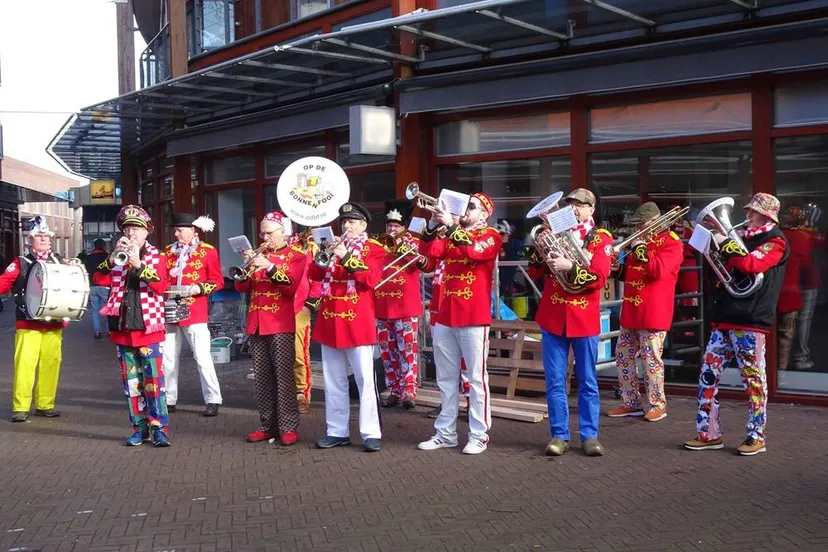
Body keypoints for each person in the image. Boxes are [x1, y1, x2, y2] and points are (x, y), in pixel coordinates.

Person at [684, 193, 788, 456]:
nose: (748, 216)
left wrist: (723, 243)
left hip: (751, 321)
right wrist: (712, 245)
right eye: (749, 211)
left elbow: (753, 264)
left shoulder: (775, 240)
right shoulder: (743, 235)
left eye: (753, 212)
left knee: (753, 381)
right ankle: (708, 433)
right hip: (724, 318)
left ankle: (756, 435)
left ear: (767, 215)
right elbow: (725, 268)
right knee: (707, 376)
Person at [528, 188, 613, 457]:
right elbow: (534, 271)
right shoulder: (551, 233)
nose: (575, 208)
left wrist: (571, 267)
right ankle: (559, 434)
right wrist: (541, 247)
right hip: (553, 316)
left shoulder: (601, 239)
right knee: (554, 380)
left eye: (580, 205)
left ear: (591, 210)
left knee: (587, 380)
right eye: (571, 204)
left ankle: (590, 436)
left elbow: (599, 277)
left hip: (583, 317)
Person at [417, 192, 501, 455]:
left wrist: (451, 226)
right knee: (445, 379)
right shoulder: (451, 235)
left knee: (476, 379)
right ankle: (446, 433)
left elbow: (474, 253)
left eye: (471, 207)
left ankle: (479, 435)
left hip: (473, 316)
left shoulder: (491, 236)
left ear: (484, 213)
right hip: (445, 314)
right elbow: (428, 253)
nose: (466, 210)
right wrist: (432, 224)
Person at [309, 202, 385, 453]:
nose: (346, 226)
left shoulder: (373, 249)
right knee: (333, 382)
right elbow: (314, 274)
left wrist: (345, 255)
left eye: (351, 221)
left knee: (365, 382)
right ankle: (336, 431)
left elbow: (370, 279)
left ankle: (371, 432)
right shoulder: (332, 247)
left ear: (363, 225)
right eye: (343, 222)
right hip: (330, 321)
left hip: (357, 322)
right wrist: (323, 256)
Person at [94, 205, 171, 446]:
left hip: (149, 329)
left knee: (154, 383)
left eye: (137, 229)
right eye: (128, 229)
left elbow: (161, 286)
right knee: (131, 385)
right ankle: (138, 427)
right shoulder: (117, 256)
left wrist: (139, 264)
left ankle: (159, 428)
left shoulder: (157, 256)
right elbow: (98, 278)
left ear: (147, 232)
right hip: (123, 329)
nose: (132, 233)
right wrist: (111, 257)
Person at [236, 211, 309, 445]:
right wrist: (245, 264)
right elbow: (241, 287)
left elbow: (290, 287)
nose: (265, 237)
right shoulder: (260, 255)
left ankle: (288, 427)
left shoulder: (296, 256)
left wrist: (269, 267)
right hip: (257, 323)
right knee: (262, 379)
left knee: (284, 378)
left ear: (283, 232)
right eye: (263, 232)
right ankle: (267, 425)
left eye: (270, 233)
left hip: (280, 323)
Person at [606, 202, 683, 421]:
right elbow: (634, 273)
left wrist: (639, 249)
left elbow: (657, 271)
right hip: (632, 311)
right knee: (622, 356)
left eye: (641, 224)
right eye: (636, 225)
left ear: (653, 222)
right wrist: (618, 270)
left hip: (653, 312)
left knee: (651, 360)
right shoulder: (642, 241)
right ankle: (630, 402)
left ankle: (658, 403)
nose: (637, 229)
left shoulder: (671, 243)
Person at [0, 216, 68, 422]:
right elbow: (3, 283)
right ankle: (20, 407)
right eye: (39, 236)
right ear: (30, 240)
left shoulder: (59, 261)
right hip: (28, 323)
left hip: (53, 323)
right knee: (25, 365)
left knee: (51, 364)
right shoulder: (20, 263)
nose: (44, 239)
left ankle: (45, 404)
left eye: (46, 236)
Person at [162, 213, 224, 416]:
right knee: (168, 357)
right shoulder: (167, 252)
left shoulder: (207, 252)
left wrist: (199, 288)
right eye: (175, 229)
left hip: (194, 312)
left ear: (193, 231)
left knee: (202, 357)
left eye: (180, 230)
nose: (176, 233)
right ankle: (169, 399)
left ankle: (213, 399)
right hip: (170, 309)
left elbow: (217, 281)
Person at [376, 203, 434, 410]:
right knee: (387, 352)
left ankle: (409, 390)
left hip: (404, 307)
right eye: (389, 225)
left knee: (407, 351)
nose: (392, 229)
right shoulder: (380, 244)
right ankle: (393, 389)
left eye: (396, 226)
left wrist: (402, 246)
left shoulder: (414, 243)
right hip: (382, 306)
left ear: (404, 227)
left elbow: (422, 265)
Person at [289, 227, 321, 415]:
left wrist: (309, 304)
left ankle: (302, 392)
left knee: (299, 352)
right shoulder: (280, 245)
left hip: (300, 306)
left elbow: (317, 278)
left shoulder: (312, 247)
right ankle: (284, 392)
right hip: (278, 307)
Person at [84, 239, 111, 339]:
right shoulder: (107, 257)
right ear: (103, 246)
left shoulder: (88, 258)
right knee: (109, 309)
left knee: (95, 310)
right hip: (105, 286)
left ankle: (97, 332)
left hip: (92, 286)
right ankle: (110, 331)